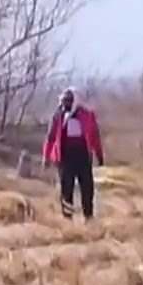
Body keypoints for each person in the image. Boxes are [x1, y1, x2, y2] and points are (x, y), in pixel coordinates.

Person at [42, 87, 105, 221]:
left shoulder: (87, 115)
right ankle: (67, 219)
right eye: (64, 100)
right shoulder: (58, 116)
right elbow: (50, 138)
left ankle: (88, 217)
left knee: (87, 188)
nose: (65, 103)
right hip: (64, 156)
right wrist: (46, 157)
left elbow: (94, 136)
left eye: (69, 101)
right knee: (66, 189)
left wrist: (99, 154)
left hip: (82, 155)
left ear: (75, 101)